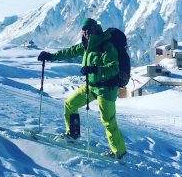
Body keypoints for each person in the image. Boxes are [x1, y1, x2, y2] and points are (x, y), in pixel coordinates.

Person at [37, 18, 127, 159]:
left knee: (108, 121)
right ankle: (73, 135)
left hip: (106, 89)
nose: (86, 32)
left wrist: (95, 69)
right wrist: (51, 56)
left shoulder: (106, 45)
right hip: (91, 86)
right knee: (70, 104)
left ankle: (119, 153)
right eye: (84, 30)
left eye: (89, 29)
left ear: (96, 29)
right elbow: (70, 52)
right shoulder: (87, 45)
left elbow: (113, 68)